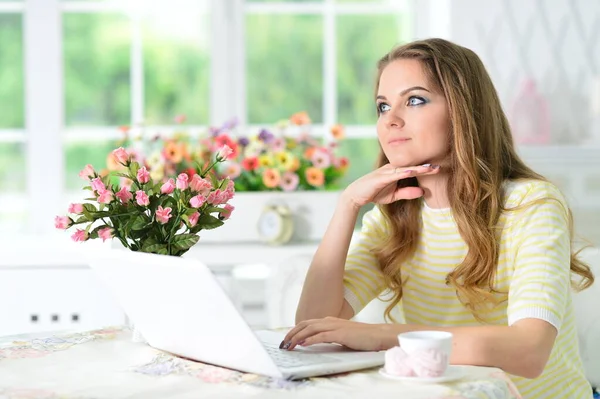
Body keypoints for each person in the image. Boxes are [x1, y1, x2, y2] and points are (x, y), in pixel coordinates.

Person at [281, 38, 595, 398]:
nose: (391, 120)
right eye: (383, 106)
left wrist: (382, 338)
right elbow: (312, 325)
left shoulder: (530, 205)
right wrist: (348, 205)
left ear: (464, 110)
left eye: (414, 100)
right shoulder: (395, 217)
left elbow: (529, 350)